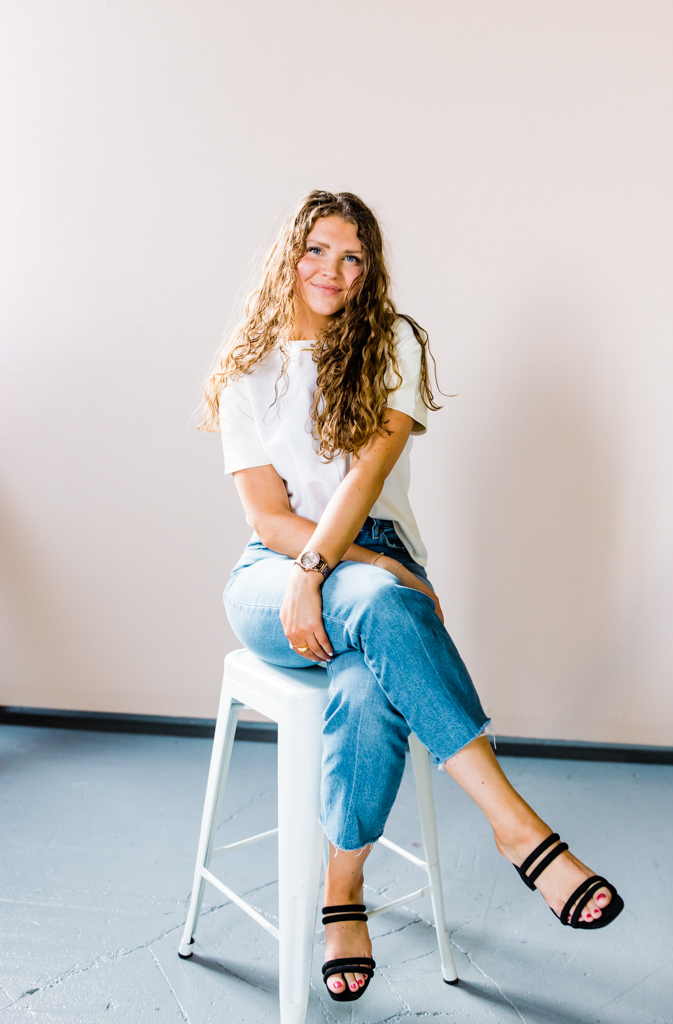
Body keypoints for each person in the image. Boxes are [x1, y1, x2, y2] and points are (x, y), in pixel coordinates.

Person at [199, 190, 623, 1004]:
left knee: (366, 684)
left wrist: (341, 565)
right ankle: (518, 831)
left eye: (353, 258)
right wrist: (325, 567)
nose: (334, 270)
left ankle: (342, 892)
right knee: (384, 601)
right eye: (318, 250)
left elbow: (365, 478)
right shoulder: (244, 373)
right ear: (288, 255)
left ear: (370, 271)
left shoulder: (391, 342)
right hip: (274, 571)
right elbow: (267, 517)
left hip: (356, 561)